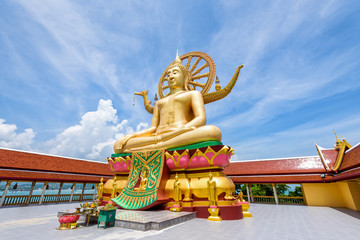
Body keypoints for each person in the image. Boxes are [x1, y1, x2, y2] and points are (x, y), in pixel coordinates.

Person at [114, 53, 222, 153]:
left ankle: (152, 148)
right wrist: (133, 135)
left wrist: (181, 129)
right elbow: (153, 128)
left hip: (180, 133)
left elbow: (201, 119)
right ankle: (158, 145)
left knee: (213, 131)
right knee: (118, 145)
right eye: (168, 74)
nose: (170, 76)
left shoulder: (193, 94)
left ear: (185, 77)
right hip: (158, 136)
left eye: (175, 73)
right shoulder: (159, 102)